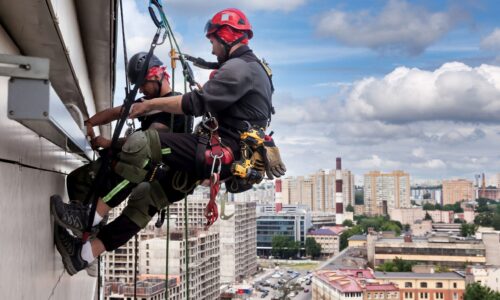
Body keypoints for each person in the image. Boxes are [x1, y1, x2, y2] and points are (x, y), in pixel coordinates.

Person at [51, 8, 285, 276]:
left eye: (213, 42)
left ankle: (89, 217)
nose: (212, 51)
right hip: (219, 158)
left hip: (217, 152)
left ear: (227, 35)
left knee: (143, 143)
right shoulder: (255, 71)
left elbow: (196, 104)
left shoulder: (239, 68)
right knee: (145, 199)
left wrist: (148, 105)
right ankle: (82, 255)